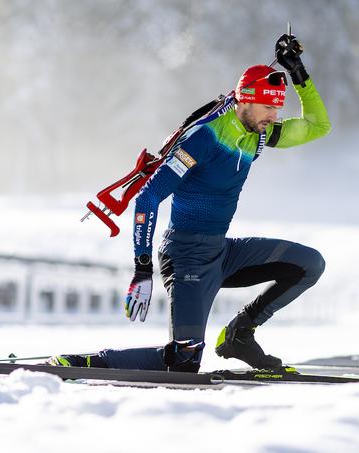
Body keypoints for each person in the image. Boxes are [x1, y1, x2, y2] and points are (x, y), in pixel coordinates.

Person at [49, 33, 330, 372]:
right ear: (246, 100)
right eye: (268, 107)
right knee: (184, 361)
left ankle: (240, 333)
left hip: (221, 253)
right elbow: (149, 196)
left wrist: (298, 72)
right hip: (185, 258)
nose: (274, 115)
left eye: (277, 107)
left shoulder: (257, 133)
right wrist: (141, 269)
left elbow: (319, 126)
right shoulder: (205, 136)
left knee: (309, 264)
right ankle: (82, 362)